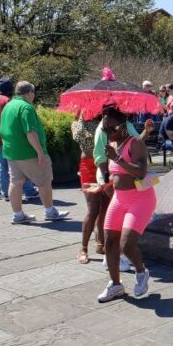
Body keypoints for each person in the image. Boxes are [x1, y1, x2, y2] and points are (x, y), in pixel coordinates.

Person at [96, 106, 155, 303]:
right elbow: (115, 174)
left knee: (127, 245)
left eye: (110, 129)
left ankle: (141, 271)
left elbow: (139, 171)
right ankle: (115, 285)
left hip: (140, 199)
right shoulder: (113, 145)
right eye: (104, 130)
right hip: (119, 198)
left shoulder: (135, 143)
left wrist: (117, 158)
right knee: (109, 242)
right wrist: (108, 184)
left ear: (122, 128)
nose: (106, 133)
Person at [0, 81, 70, 224]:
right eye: (33, 93)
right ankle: (50, 211)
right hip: (29, 152)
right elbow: (30, 132)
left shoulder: (8, 106)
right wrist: (40, 152)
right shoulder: (26, 108)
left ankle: (18, 215)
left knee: (16, 182)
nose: (34, 96)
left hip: (12, 152)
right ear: (29, 93)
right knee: (44, 181)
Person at [0, 77, 39, 201]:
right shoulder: (9, 101)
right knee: (20, 166)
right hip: (10, 139)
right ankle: (29, 190)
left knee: (2, 167)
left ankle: (6, 193)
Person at [71, 112, 105, 263]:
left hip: (105, 164)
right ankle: (83, 248)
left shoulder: (106, 119)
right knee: (93, 209)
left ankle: (101, 243)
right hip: (89, 166)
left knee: (105, 208)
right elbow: (80, 137)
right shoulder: (79, 123)